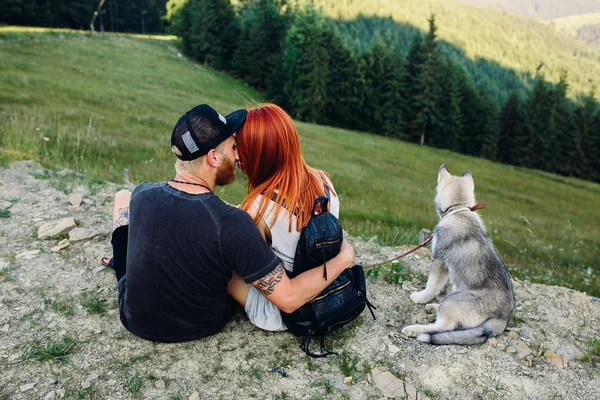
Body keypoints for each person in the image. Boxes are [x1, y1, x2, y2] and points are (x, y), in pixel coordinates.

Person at [105, 104, 355, 342]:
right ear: (213, 158)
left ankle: (122, 261)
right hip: (203, 323)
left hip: (135, 320)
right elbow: (286, 295)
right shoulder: (235, 221)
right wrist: (344, 259)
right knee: (222, 249)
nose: (237, 156)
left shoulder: (142, 193)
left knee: (122, 199)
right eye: (233, 146)